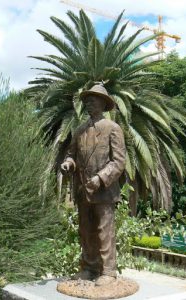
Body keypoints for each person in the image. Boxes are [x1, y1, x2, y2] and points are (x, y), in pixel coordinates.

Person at [61, 84, 126, 286]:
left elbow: (118, 161)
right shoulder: (79, 130)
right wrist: (68, 163)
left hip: (103, 190)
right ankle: (89, 268)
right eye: (87, 100)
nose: (89, 102)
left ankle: (108, 271)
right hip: (83, 189)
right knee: (86, 230)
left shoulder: (112, 129)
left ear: (103, 103)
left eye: (93, 99)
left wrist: (100, 178)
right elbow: (71, 154)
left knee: (104, 230)